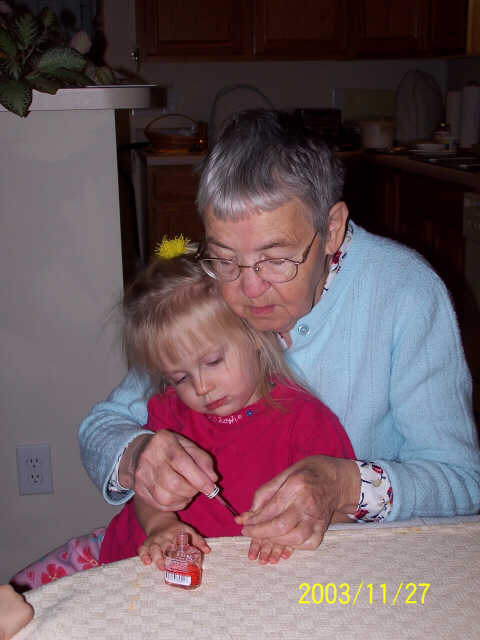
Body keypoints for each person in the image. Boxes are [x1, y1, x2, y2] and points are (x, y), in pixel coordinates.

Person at [78, 109, 480, 552]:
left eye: (276, 258)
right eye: (226, 258)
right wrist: (138, 457)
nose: (247, 289)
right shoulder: (206, 289)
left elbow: (462, 483)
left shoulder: (405, 293)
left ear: (331, 230)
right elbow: (102, 427)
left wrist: (344, 485)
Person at [99, 250, 354, 567]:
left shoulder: (308, 421)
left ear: (255, 336)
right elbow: (149, 492)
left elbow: (341, 515)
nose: (201, 387)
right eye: (180, 377)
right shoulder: (170, 413)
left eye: (213, 361)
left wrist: (295, 530)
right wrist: (160, 526)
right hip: (158, 571)